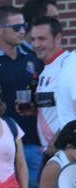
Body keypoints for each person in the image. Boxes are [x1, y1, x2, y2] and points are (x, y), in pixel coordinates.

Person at [0, 6, 45, 188]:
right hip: (2, 145)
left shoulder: (32, 57)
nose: (22, 31)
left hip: (33, 141)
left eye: (24, 25)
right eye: (16, 26)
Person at [31, 16, 75, 155]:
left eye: (42, 39)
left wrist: (58, 139)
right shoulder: (45, 68)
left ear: (57, 38)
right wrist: (34, 109)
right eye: (33, 39)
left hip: (66, 149)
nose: (36, 44)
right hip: (50, 151)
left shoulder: (69, 64)